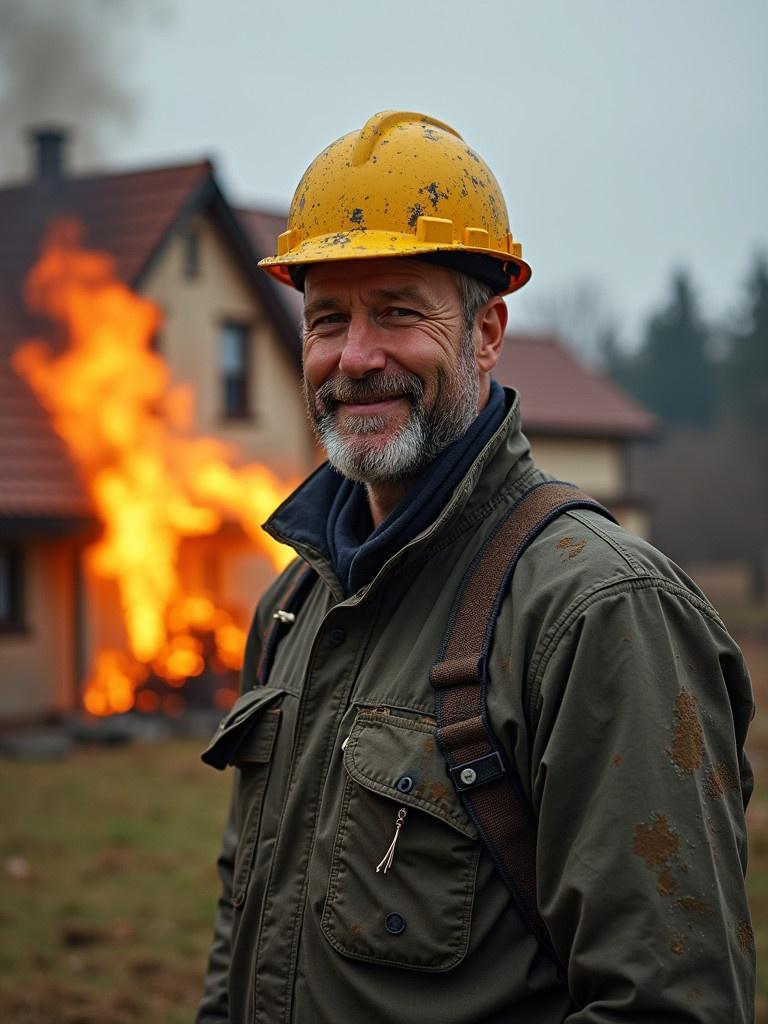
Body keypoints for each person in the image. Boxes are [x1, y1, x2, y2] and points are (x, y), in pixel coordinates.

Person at [196, 111, 755, 1024]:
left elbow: (663, 1004)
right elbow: (244, 928)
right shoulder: (295, 608)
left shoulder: (598, 611)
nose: (356, 357)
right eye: (327, 319)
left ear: (487, 333)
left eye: (399, 312)